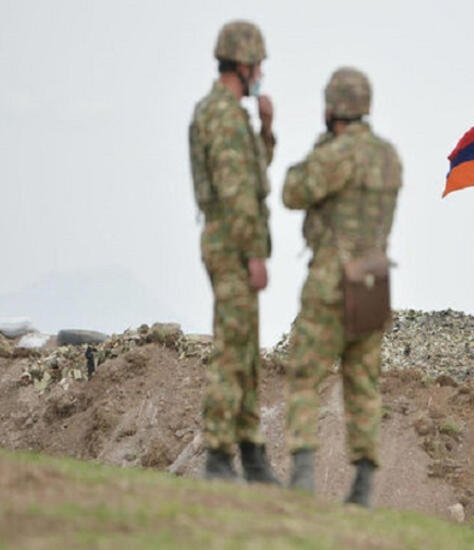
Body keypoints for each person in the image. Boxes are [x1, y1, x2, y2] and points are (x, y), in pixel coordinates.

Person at [281, 67, 402, 507]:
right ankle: (363, 486)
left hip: (333, 278)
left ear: (332, 107)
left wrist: (318, 151)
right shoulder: (389, 156)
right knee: (364, 382)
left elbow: (293, 192)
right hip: (373, 280)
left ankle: (302, 475)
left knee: (304, 372)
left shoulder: (337, 154)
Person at [188, 20, 278, 485]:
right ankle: (220, 456)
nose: (260, 72)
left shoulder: (232, 115)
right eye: (257, 64)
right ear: (242, 64)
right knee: (231, 348)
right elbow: (235, 191)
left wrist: (266, 129)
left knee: (244, 348)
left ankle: (252, 454)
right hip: (232, 244)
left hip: (232, 241)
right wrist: (253, 254)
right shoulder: (222, 116)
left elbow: (253, 173)